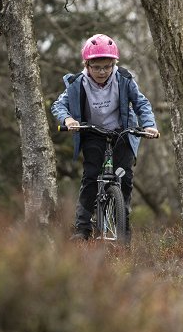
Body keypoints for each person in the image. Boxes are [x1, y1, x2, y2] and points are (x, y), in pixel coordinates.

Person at [51, 34, 159, 240]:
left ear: (114, 64)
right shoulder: (77, 83)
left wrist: (149, 125)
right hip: (93, 133)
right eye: (97, 67)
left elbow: (141, 104)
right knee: (91, 175)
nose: (102, 72)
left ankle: (123, 229)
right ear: (87, 65)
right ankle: (82, 229)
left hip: (122, 133)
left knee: (124, 178)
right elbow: (58, 105)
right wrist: (68, 120)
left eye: (107, 67)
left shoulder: (124, 79)